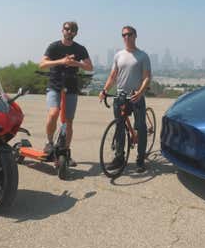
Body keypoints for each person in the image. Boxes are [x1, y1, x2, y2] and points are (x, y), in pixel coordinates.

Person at [39, 21, 93, 167]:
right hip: (54, 86)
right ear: (62, 30)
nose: (69, 32)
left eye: (72, 30)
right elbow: (42, 64)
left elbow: (89, 67)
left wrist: (77, 64)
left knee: (68, 121)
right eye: (67, 29)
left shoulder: (80, 49)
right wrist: (61, 61)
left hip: (71, 87)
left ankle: (66, 152)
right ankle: (49, 142)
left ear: (76, 33)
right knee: (53, 113)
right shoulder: (54, 46)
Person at [99, 25, 151, 173]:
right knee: (119, 127)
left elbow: (147, 77)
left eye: (129, 34)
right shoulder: (118, 55)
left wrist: (140, 92)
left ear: (135, 35)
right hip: (120, 96)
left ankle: (140, 159)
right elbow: (113, 76)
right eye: (123, 35)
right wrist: (104, 91)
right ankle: (119, 157)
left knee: (140, 127)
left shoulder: (142, 55)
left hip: (136, 97)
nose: (126, 37)